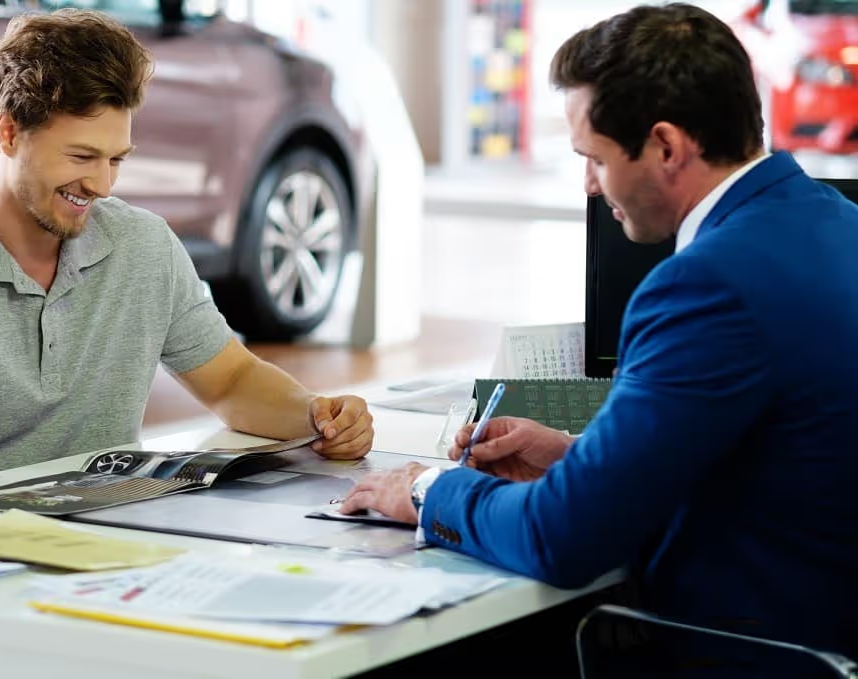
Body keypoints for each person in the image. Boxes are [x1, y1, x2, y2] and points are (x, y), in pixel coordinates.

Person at [339, 3, 858, 675]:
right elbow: (776, 451)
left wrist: (425, 489)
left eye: (594, 157)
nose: (588, 184)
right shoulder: (837, 224)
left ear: (667, 147)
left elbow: (563, 538)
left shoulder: (705, 285)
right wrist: (577, 458)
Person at [0, 9, 374, 478]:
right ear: (8, 132)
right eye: (81, 156)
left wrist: (317, 416)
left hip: (116, 538)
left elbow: (231, 381)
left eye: (115, 160)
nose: (102, 185)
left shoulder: (143, 245)